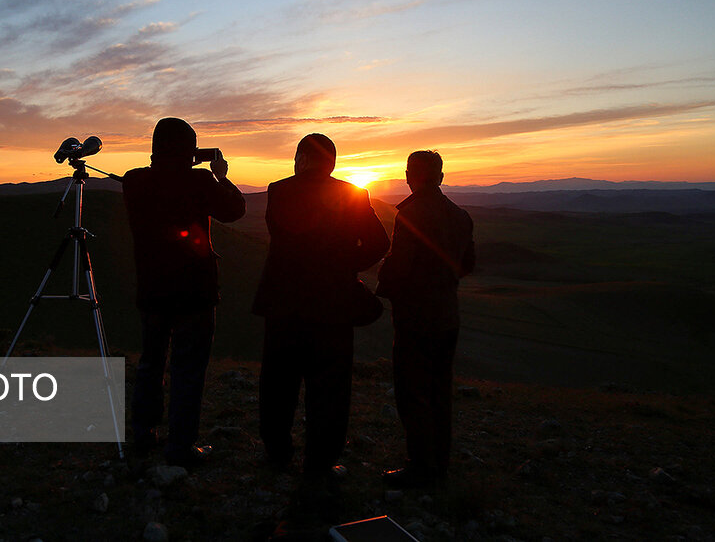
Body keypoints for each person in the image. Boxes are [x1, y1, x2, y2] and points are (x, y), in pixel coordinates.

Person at [253, 133, 389, 478]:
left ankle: (276, 450)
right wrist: (346, 265)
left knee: (278, 381)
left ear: (300, 158)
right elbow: (378, 242)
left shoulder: (279, 190)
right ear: (332, 162)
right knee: (329, 387)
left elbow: (280, 234)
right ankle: (321, 462)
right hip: (333, 305)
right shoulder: (352, 194)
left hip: (283, 303)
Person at [122, 117, 246, 467]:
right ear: (189, 149)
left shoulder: (134, 181)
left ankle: (144, 433)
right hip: (195, 291)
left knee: (151, 362)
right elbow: (234, 211)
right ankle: (180, 447)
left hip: (152, 288)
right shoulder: (201, 180)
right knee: (188, 368)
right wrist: (222, 175)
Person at [376, 150, 475, 488]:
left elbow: (399, 267)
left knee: (412, 391)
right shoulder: (461, 215)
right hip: (448, 314)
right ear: (441, 177)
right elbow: (468, 264)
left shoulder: (411, 214)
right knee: (439, 391)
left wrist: (381, 290)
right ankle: (439, 464)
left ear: (409, 175)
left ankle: (419, 467)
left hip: (416, 316)